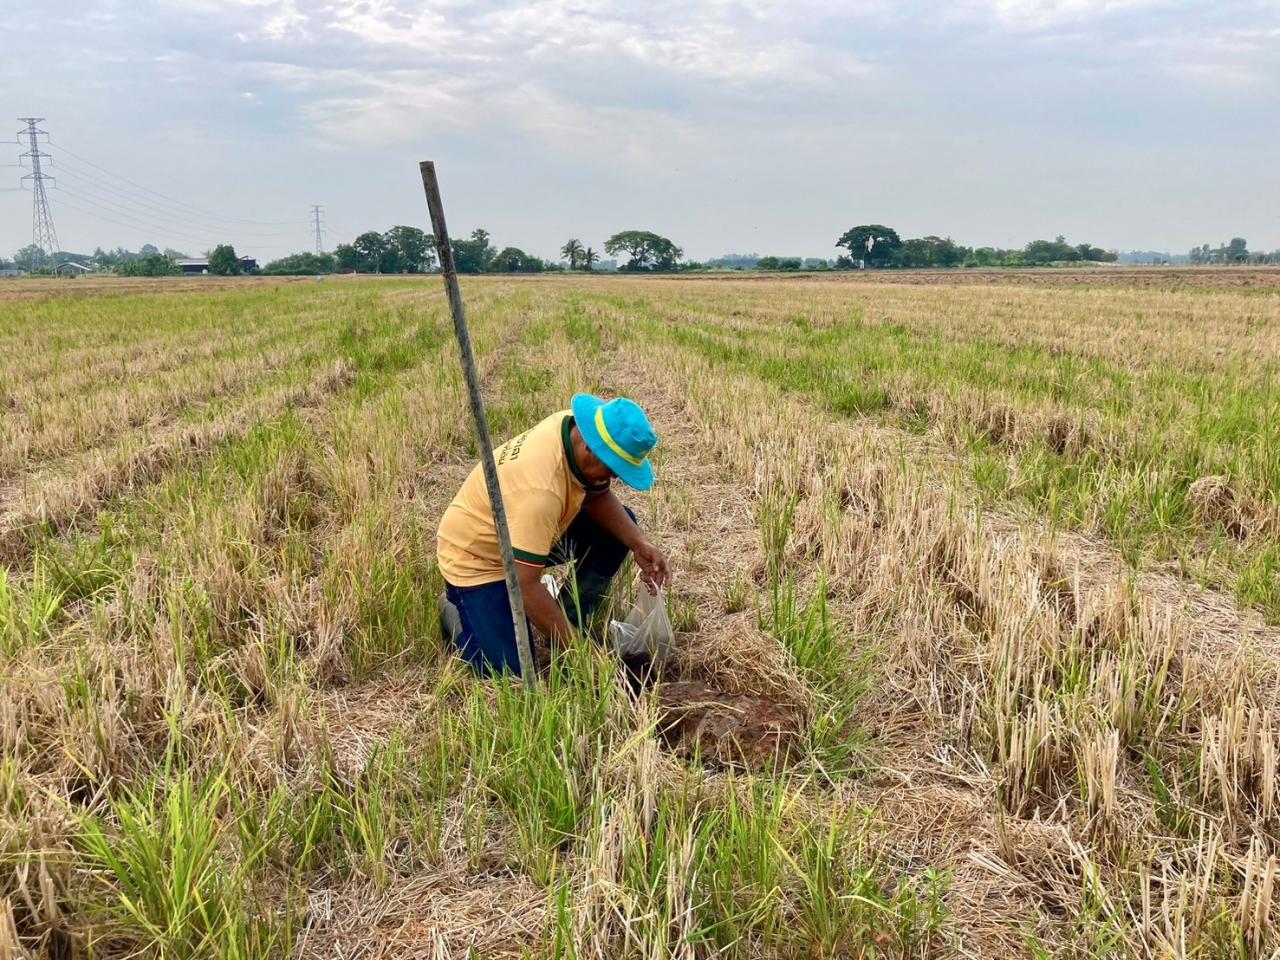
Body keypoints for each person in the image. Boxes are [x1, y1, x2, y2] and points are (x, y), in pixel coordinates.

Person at [437, 393, 671, 676]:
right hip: (479, 558)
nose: (615, 478)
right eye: (613, 469)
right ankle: (457, 614)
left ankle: (568, 623)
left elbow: (597, 496)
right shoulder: (539, 493)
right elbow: (526, 586)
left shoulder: (572, 431)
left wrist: (639, 543)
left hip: (527, 533)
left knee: (620, 531)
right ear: (590, 448)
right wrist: (583, 656)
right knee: (509, 674)